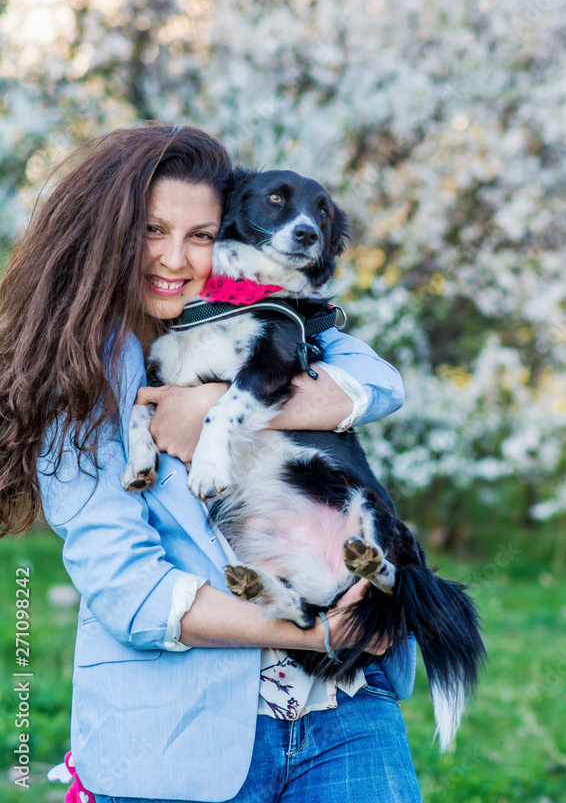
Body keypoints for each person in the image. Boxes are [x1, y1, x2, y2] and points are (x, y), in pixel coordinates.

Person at [0, 122, 423, 803]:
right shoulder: (72, 378)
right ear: (106, 233)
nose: (176, 258)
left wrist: (217, 405)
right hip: (175, 737)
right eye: (150, 231)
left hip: (343, 712)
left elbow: (377, 382)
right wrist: (318, 632)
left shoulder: (260, 314)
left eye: (200, 235)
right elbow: (127, 591)